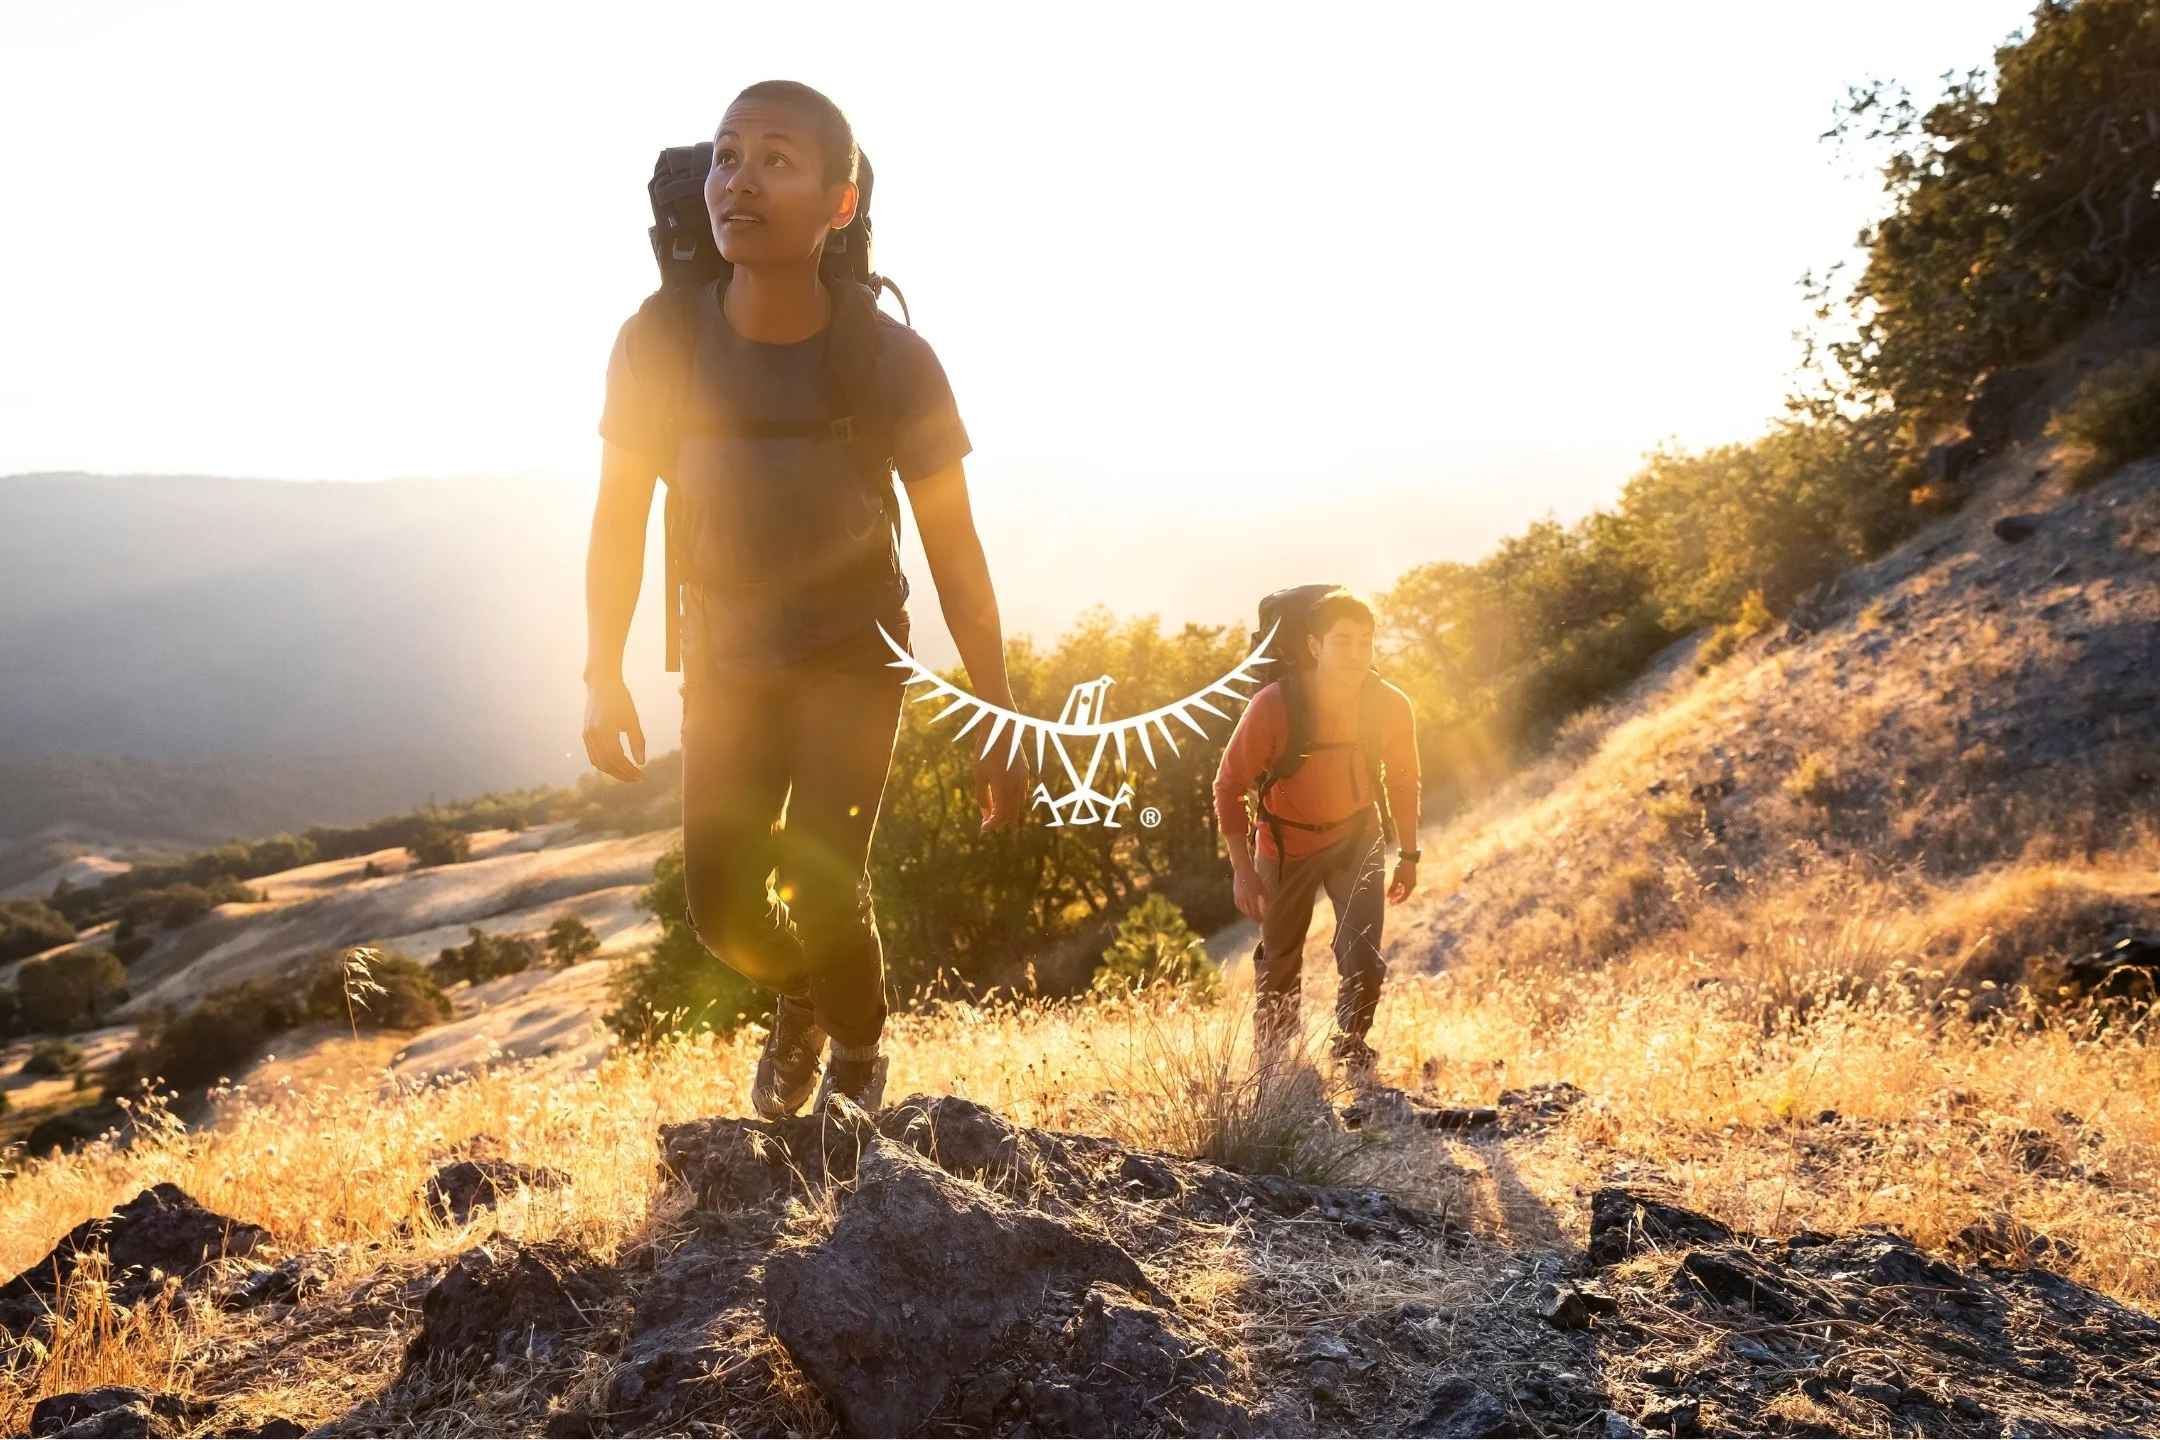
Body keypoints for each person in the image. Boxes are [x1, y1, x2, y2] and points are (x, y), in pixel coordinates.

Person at [582, 80, 1029, 1117]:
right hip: (725, 656)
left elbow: (957, 553)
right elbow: (615, 520)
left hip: (852, 657)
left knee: (826, 879)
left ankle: (861, 1074)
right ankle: (802, 999)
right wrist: (601, 670)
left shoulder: (891, 359)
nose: (739, 179)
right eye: (727, 155)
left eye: (775, 159)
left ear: (839, 201)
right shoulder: (659, 340)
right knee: (720, 908)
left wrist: (995, 712)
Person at [1211, 590, 1421, 1084]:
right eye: (1342, 641)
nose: (1355, 653)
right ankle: (1274, 1063)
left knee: (1364, 957)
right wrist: (1242, 870)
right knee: (1280, 960)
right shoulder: (1275, 705)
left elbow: (1405, 779)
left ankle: (1351, 1046)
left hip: (1357, 840)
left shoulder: (1389, 705)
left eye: (1365, 641)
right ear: (1314, 645)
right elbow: (1230, 785)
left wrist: (1409, 854)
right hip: (1285, 846)